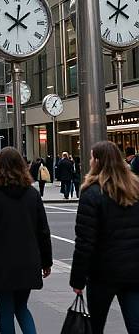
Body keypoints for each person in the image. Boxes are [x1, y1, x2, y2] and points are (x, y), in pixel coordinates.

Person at [0, 147, 52, 334]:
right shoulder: (33, 194)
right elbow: (43, 231)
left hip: (0, 262)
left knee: (6, 312)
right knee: (22, 308)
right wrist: (46, 261)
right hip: (28, 260)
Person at [70, 141, 139, 334]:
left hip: (103, 272)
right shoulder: (135, 189)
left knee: (96, 325)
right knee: (135, 324)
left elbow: (85, 241)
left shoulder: (92, 193)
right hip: (133, 270)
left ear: (98, 161)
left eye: (92, 157)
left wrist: (77, 280)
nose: (90, 161)